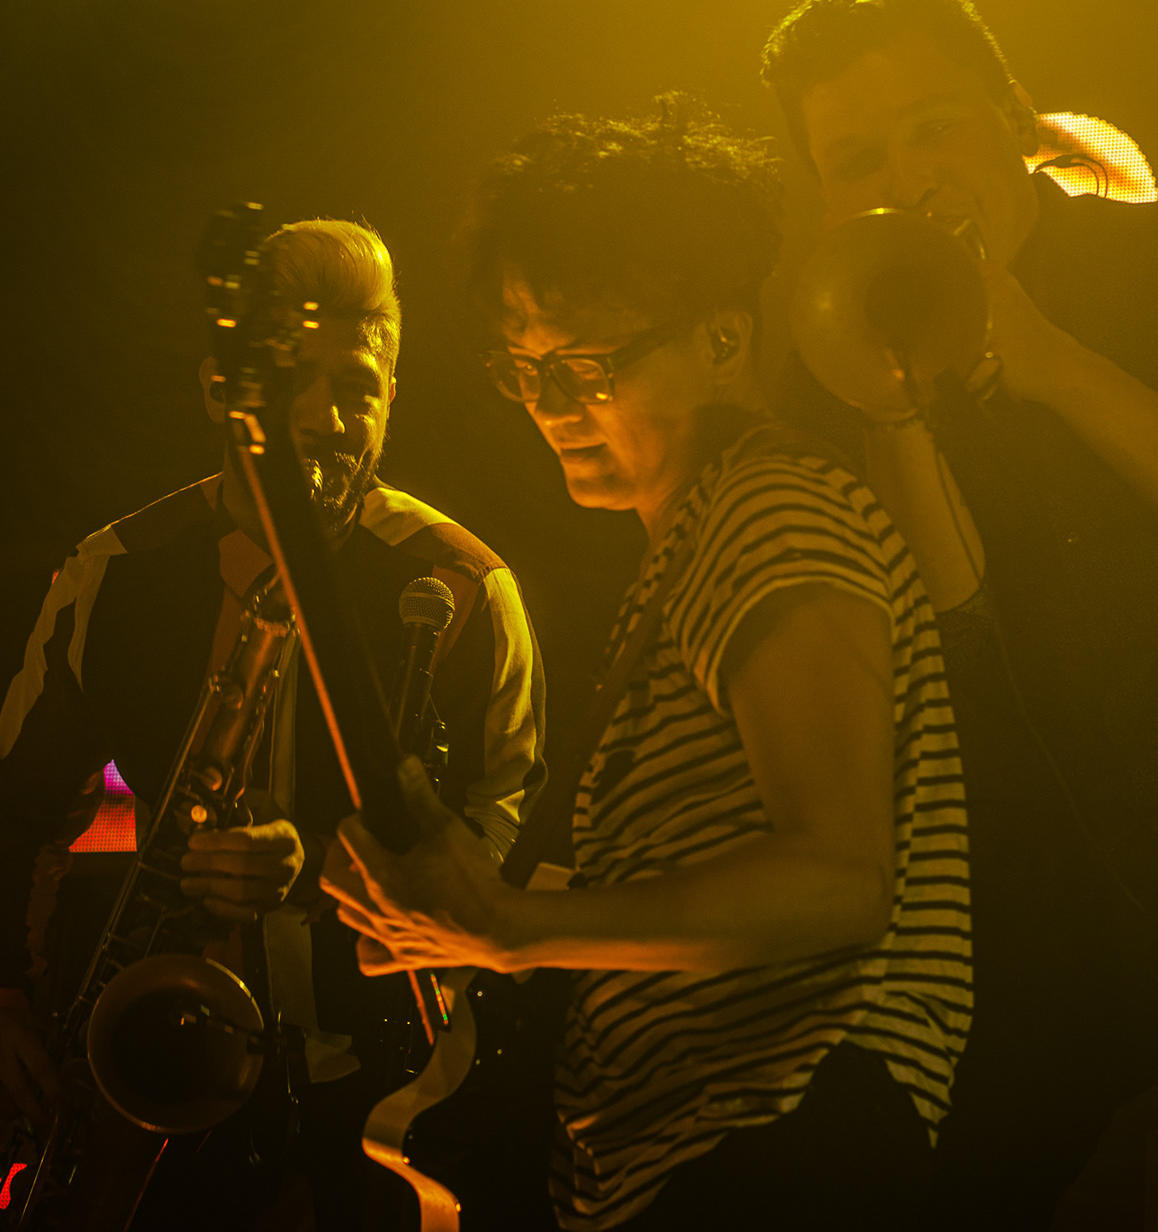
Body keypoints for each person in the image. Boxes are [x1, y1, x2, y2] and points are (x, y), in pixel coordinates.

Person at [761, 0, 1158, 1230]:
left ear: (1014, 117)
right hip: (1027, 886)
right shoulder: (838, 349)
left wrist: (1046, 360)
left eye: (933, 126)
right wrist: (893, 407)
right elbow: (958, 630)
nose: (905, 176)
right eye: (856, 158)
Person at [320, 99, 971, 1232]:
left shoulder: (769, 510)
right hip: (692, 1157)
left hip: (776, 1140)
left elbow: (841, 878)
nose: (549, 406)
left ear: (722, 339)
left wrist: (513, 923)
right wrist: (471, 911)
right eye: (523, 367)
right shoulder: (694, 546)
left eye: (586, 363)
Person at [0, 219, 546, 1231]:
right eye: (289, 383)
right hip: (162, 1079)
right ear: (220, 391)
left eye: (356, 386)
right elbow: (9, 815)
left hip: (391, 1087)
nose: (324, 418)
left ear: (393, 395)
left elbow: (506, 832)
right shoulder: (114, 572)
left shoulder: (465, 587)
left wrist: (323, 875)